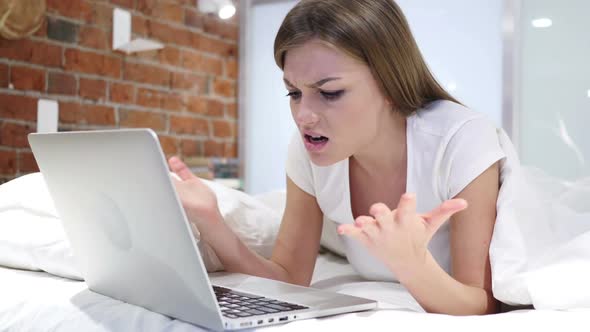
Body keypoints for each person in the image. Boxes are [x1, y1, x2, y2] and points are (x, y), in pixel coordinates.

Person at [169, 0, 505, 315]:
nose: (304, 115)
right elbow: (287, 278)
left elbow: (481, 303)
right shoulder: (309, 147)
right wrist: (211, 221)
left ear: (390, 84)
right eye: (294, 92)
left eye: (329, 93)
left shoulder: (461, 138)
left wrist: (412, 265)